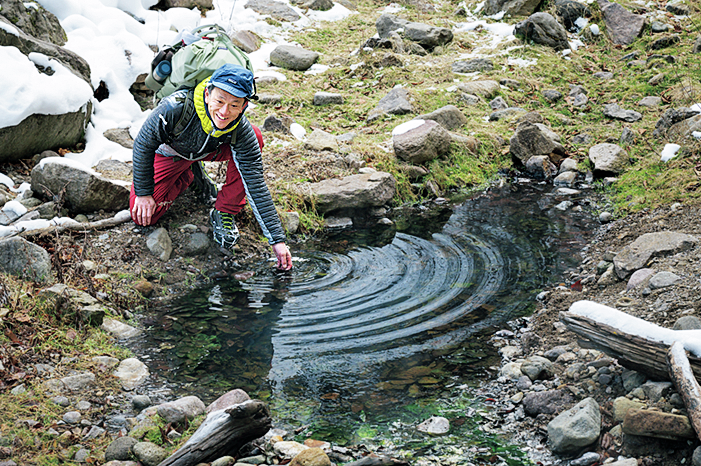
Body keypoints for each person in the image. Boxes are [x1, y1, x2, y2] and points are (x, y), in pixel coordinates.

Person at [129, 63, 292, 270]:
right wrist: (143, 193)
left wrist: (277, 241)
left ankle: (224, 210)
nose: (224, 111)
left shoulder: (240, 130)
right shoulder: (174, 108)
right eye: (220, 101)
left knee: (256, 136)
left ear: (244, 106)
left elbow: (255, 184)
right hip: (172, 153)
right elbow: (143, 144)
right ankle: (189, 176)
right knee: (144, 217)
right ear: (207, 94)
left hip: (209, 149)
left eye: (234, 105)